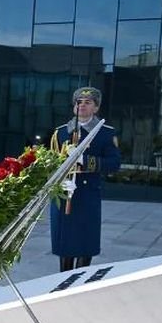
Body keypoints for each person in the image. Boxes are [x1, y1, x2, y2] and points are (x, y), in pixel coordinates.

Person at [49, 86, 121, 272]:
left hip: (88, 194)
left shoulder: (105, 133)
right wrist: (59, 181)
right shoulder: (61, 132)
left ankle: (80, 279)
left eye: (87, 102)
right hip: (64, 192)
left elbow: (114, 163)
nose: (81, 105)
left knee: (84, 240)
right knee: (65, 241)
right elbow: (51, 162)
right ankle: (63, 279)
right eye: (78, 102)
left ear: (96, 108)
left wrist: (85, 160)